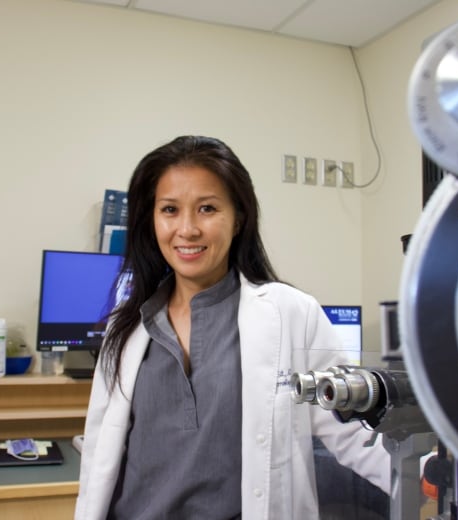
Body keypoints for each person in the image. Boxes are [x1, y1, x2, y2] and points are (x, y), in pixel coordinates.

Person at [75, 135, 390, 519]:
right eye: (170, 209)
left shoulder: (291, 314)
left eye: (207, 208)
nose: (187, 229)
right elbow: (98, 453)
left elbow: (356, 432)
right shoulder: (126, 326)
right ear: (151, 219)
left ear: (238, 218)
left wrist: (437, 479)